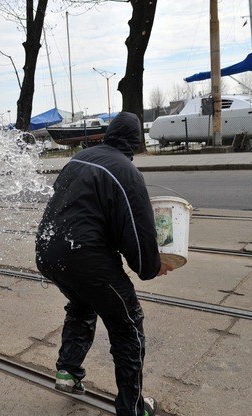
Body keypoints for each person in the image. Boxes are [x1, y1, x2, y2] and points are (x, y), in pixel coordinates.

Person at [35, 112, 172, 416]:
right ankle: (132, 408)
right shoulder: (126, 172)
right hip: (85, 257)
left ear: (109, 134)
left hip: (48, 251)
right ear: (137, 142)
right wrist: (152, 265)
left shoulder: (81, 157)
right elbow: (137, 231)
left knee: (82, 303)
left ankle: (68, 371)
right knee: (127, 325)